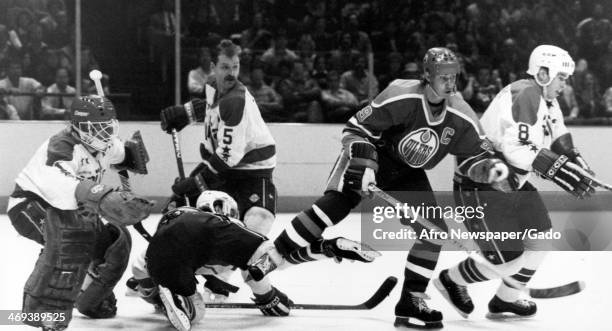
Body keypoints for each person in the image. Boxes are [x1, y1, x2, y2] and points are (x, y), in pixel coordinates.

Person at [257, 47, 509, 329]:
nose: (450, 84)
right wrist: (365, 163)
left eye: (454, 77)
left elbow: (478, 156)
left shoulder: (461, 114)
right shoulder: (401, 94)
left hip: (406, 171)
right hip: (372, 153)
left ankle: (411, 301)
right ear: (427, 75)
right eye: (443, 77)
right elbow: (355, 128)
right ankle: (274, 254)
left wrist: (489, 170)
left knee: (434, 232)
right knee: (336, 206)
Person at [434, 45, 597, 320]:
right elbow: (515, 149)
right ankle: (452, 280)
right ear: (544, 73)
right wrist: (558, 169)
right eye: (561, 77)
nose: (564, 83)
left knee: (540, 241)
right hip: (481, 186)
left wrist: (576, 161)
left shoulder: (547, 99)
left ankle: (505, 300)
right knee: (509, 264)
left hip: (513, 182)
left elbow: (559, 135)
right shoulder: (526, 93)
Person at [6, 95, 154, 330]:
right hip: (31, 206)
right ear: (79, 127)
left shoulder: (106, 143)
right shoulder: (60, 146)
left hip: (71, 209)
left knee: (115, 244)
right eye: (98, 128)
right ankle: (43, 311)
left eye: (108, 127)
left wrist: (130, 155)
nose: (105, 134)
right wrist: (99, 193)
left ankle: (88, 294)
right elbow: (58, 180)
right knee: (69, 242)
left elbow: (120, 153)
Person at [133, 192, 376, 331]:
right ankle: (326, 247)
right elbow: (257, 271)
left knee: (176, 295)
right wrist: (266, 296)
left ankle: (171, 292)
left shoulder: (185, 214)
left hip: (162, 243)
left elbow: (141, 265)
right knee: (273, 257)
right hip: (212, 236)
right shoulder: (230, 225)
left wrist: (148, 291)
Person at [159, 39, 277, 242]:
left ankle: (234, 267)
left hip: (251, 173)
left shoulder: (236, 101)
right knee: (174, 211)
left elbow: (227, 156)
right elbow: (211, 107)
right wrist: (185, 113)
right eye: (225, 67)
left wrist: (196, 183)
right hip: (220, 166)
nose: (231, 73)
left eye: (235, 67)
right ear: (213, 68)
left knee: (254, 226)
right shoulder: (213, 85)